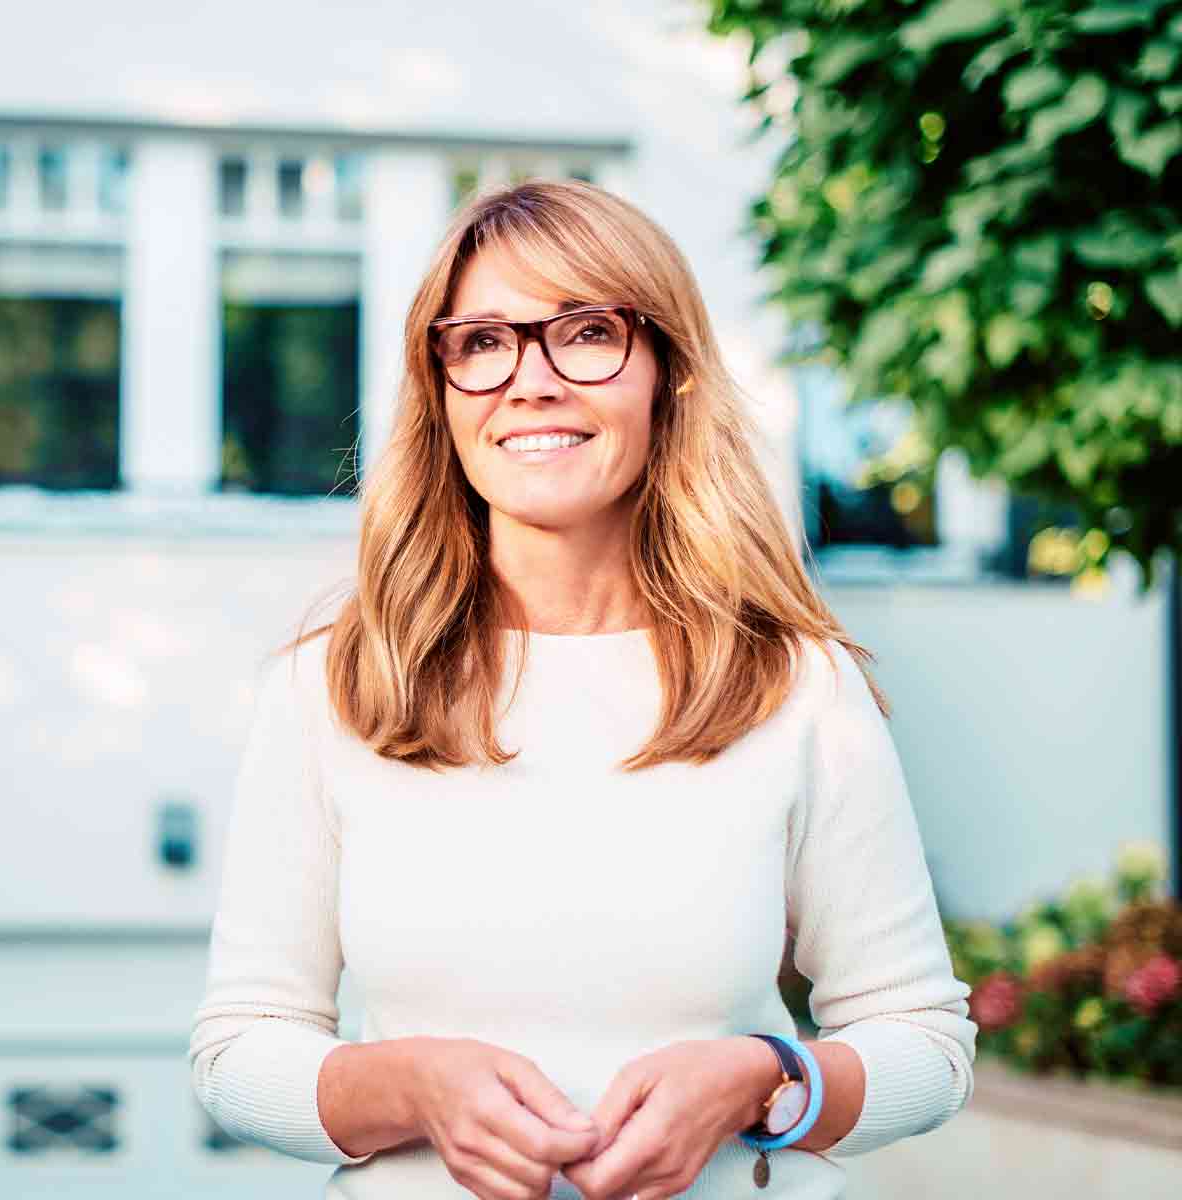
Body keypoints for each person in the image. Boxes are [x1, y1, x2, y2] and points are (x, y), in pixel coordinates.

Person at [189, 179, 977, 1200]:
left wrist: (766, 1079)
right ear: (439, 387)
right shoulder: (334, 687)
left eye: (587, 331)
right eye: (481, 342)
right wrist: (411, 1085)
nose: (530, 380)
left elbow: (926, 1044)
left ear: (665, 374)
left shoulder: (791, 684)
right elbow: (237, 1054)